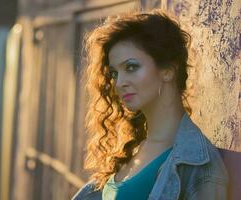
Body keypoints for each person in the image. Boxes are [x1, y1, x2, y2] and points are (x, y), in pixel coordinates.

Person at [72, 9, 228, 200]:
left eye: (131, 67)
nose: (119, 83)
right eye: (114, 73)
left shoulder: (198, 166)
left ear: (168, 71)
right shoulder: (133, 148)